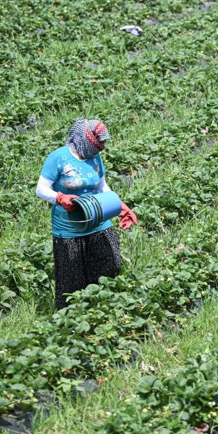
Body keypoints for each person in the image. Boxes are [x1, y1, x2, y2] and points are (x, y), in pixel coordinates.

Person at [35, 119, 138, 310]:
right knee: (71, 281)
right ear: (85, 139)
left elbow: (102, 186)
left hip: (98, 219)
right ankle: (71, 320)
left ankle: (98, 307)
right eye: (98, 143)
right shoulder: (58, 157)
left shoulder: (94, 156)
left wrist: (121, 206)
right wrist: (60, 198)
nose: (101, 148)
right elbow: (41, 190)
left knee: (111, 264)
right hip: (70, 228)